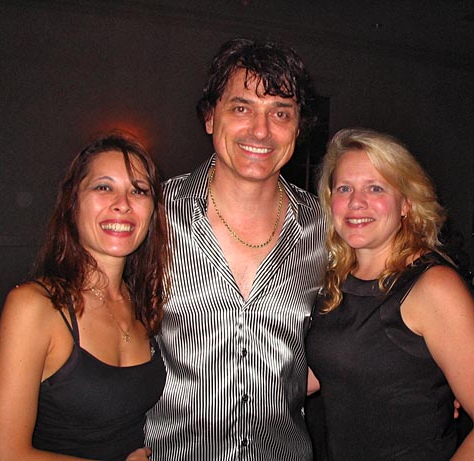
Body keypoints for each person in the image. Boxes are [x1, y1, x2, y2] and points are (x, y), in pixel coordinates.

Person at [144, 38, 327, 460]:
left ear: (298, 127)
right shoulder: (153, 217)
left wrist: (425, 374)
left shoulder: (326, 229)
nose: (261, 131)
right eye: (242, 108)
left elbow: (376, 314)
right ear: (210, 117)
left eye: (280, 113)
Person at [306, 127, 474, 460]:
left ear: (406, 203)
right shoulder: (334, 281)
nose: (356, 202)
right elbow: (319, 373)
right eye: (344, 188)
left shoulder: (433, 287)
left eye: (375, 187)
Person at [0, 133, 169, 461]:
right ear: (73, 203)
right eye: (104, 187)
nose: (123, 203)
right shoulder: (36, 306)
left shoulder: (145, 300)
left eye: (139, 190)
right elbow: (0, 454)